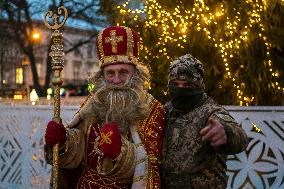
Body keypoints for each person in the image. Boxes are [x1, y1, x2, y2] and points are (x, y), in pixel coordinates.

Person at [44, 26, 165, 189]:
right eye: (110, 73)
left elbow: (150, 168)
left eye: (123, 72)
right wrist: (65, 142)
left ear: (135, 74)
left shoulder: (153, 108)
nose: (116, 80)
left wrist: (119, 153)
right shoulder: (94, 101)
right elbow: (80, 148)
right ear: (102, 75)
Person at [161, 54, 249, 189]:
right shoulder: (166, 110)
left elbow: (241, 137)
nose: (180, 89)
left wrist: (227, 133)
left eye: (187, 85)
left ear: (199, 85)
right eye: (175, 84)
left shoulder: (211, 112)